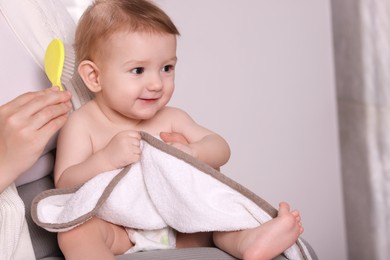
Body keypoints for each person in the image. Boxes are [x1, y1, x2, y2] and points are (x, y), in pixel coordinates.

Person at [53, 0, 304, 259]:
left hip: (183, 226)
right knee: (75, 231)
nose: (156, 84)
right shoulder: (83, 123)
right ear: (94, 77)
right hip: (120, 230)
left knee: (223, 219)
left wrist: (193, 151)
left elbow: (220, 147)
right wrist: (104, 159)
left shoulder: (172, 118)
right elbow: (64, 182)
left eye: (166, 68)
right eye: (138, 70)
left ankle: (250, 241)